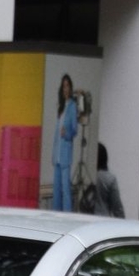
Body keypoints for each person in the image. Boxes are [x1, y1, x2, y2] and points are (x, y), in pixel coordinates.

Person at [52, 74, 81, 213]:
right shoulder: (60, 106)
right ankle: (55, 217)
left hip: (65, 154)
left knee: (65, 189)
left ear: (70, 87)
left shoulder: (72, 106)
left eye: (68, 85)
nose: (66, 89)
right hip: (57, 154)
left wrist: (67, 133)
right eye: (64, 86)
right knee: (56, 190)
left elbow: (75, 130)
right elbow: (56, 134)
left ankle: (67, 216)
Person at [86, 143, 127, 218]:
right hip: (103, 219)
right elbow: (117, 207)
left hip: (85, 219)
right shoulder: (109, 178)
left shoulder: (86, 175)